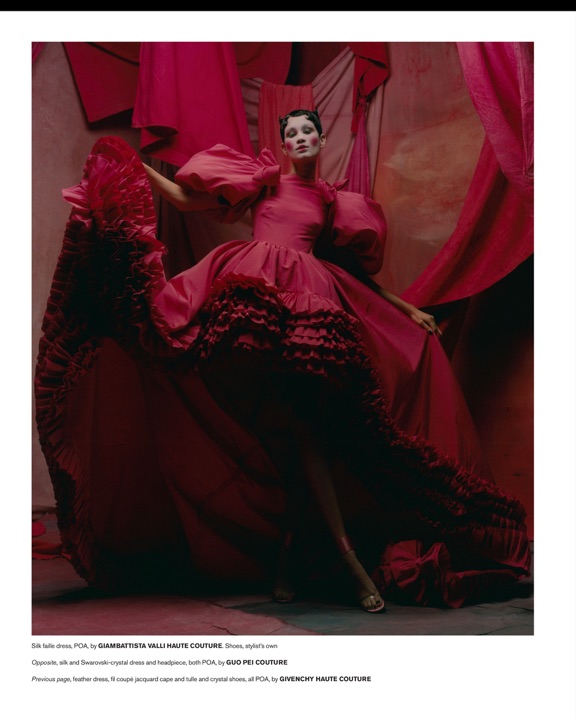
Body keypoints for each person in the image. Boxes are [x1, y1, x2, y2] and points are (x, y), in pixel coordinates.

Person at [35, 109, 531, 613]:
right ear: (285, 145)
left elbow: (350, 270)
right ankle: (348, 563)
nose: (299, 138)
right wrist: (137, 168)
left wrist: (406, 310)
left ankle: (289, 563)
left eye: (307, 131)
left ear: (320, 140)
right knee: (306, 431)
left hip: (313, 301)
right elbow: (187, 199)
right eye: (290, 133)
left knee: (306, 434)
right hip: (262, 299)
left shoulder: (332, 202)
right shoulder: (266, 182)